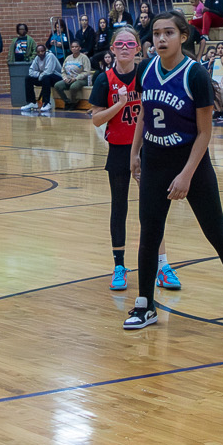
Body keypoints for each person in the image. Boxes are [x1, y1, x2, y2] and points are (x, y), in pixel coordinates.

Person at [122, 11, 223, 332]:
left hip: (192, 164)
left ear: (183, 36)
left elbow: (204, 132)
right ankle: (145, 304)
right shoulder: (145, 69)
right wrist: (134, 152)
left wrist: (186, 174)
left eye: (168, 33)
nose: (161, 39)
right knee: (149, 234)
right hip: (155, 161)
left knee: (217, 233)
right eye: (156, 33)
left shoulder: (195, 74)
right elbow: (144, 113)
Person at [91, 28, 146, 292]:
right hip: (119, 149)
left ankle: (161, 264)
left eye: (130, 43)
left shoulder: (145, 75)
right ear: (112, 48)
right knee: (119, 207)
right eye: (120, 44)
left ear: (138, 48)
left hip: (146, 149)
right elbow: (96, 119)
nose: (125, 47)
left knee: (152, 208)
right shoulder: (104, 79)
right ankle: (119, 266)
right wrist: (119, 104)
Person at [21, 43, 64, 115]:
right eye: (39, 52)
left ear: (45, 51)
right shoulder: (37, 58)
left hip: (57, 77)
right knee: (28, 78)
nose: (41, 53)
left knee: (46, 77)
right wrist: (39, 75)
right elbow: (31, 71)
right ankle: (32, 102)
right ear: (36, 53)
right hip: (44, 78)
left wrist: (40, 75)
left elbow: (49, 71)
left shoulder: (50, 56)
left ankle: (47, 103)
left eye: (42, 51)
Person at [54, 45, 92, 110]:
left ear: (79, 48)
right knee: (57, 85)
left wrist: (75, 78)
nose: (74, 48)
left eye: (76, 47)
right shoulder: (68, 58)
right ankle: (67, 102)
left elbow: (87, 72)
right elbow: (63, 70)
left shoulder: (84, 58)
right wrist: (65, 78)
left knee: (73, 87)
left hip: (81, 79)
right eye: (72, 47)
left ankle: (73, 102)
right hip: (69, 78)